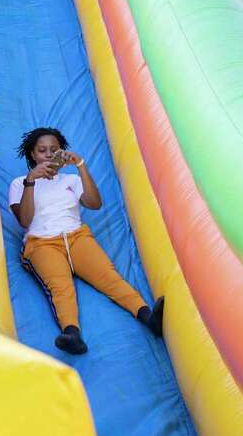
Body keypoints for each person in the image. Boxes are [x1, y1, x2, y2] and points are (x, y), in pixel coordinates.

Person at [9, 127, 165, 355]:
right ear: (33, 154)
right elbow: (24, 219)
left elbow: (94, 203)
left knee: (108, 276)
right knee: (60, 287)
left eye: (54, 150)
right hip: (41, 243)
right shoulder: (20, 183)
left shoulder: (71, 179)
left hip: (76, 237)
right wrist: (31, 181)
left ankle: (147, 316)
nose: (48, 154)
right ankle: (71, 333)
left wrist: (81, 166)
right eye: (42, 151)